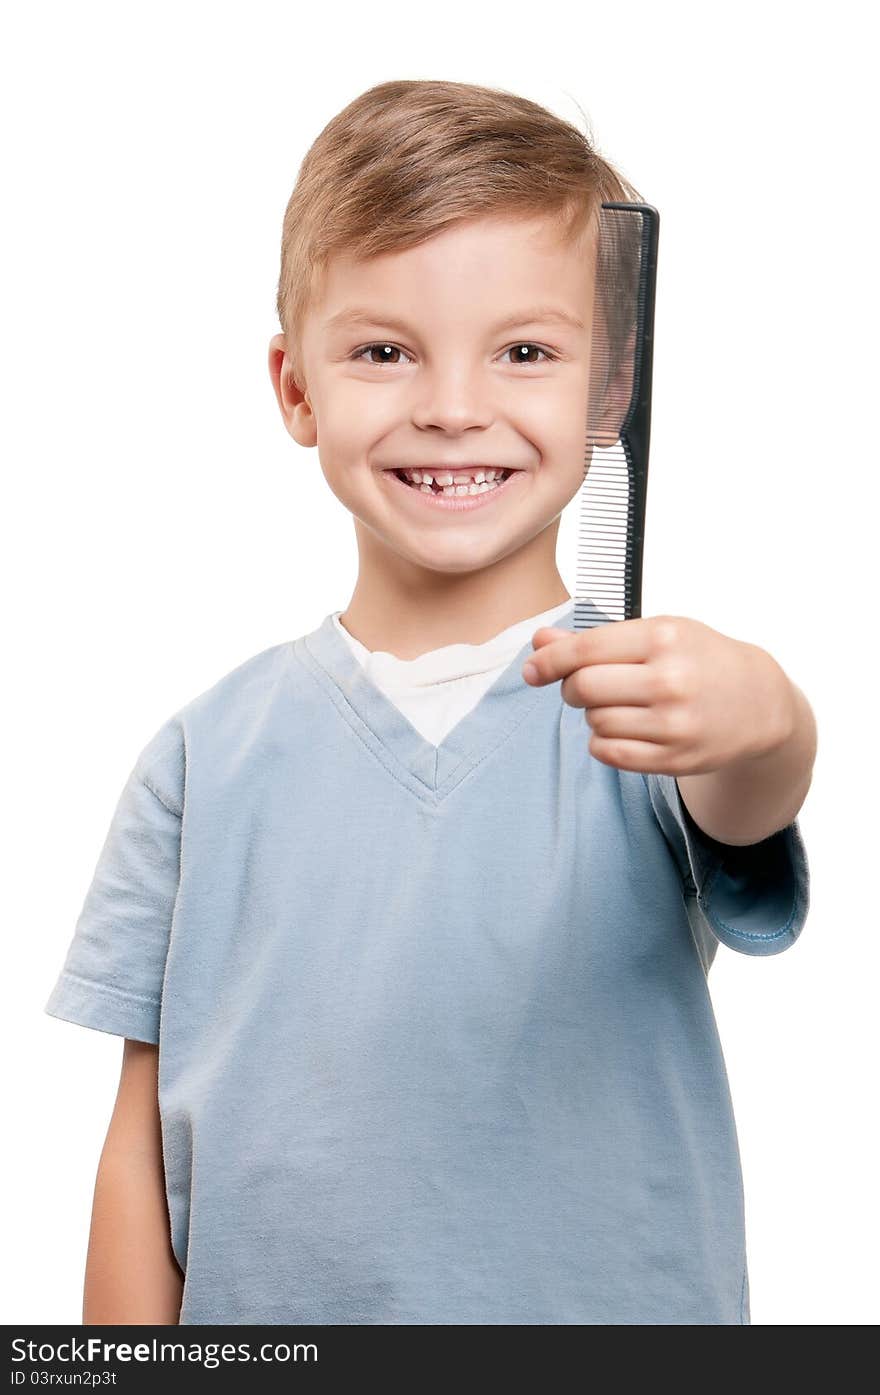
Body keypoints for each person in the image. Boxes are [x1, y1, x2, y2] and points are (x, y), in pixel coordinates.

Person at [44, 78, 816, 1326]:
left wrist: (770, 716)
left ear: (608, 390)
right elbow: (142, 1138)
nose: (453, 406)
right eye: (384, 351)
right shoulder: (201, 759)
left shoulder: (646, 708)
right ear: (297, 390)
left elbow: (749, 789)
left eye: (523, 351)